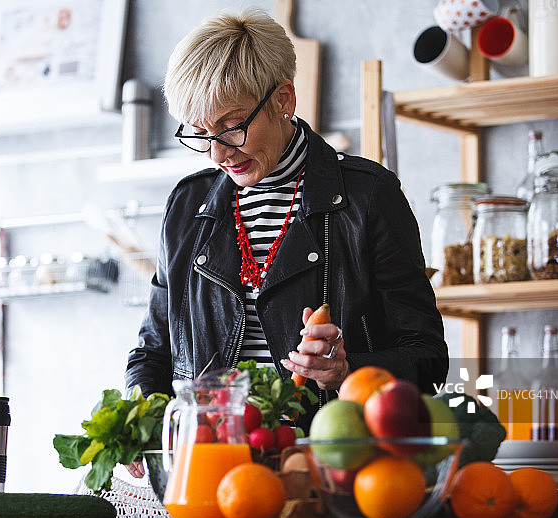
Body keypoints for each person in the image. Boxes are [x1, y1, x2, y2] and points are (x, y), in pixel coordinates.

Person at [125, 8, 448, 433]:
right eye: (199, 133)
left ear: (283, 100)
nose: (216, 153)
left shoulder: (368, 196)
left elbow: (426, 358)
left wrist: (346, 370)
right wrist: (143, 419)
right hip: (209, 463)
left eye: (231, 126)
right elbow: (152, 353)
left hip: (330, 460)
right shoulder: (188, 206)